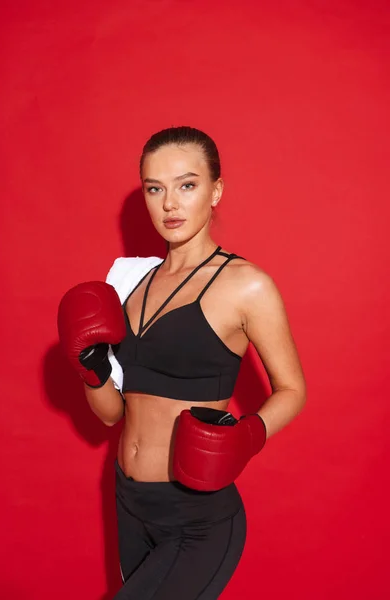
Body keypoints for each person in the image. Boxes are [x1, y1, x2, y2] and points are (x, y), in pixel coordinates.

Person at [58, 126, 307, 599]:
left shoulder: (245, 285)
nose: (170, 204)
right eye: (156, 188)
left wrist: (246, 436)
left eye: (187, 185)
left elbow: (293, 389)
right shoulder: (129, 283)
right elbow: (113, 414)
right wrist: (90, 370)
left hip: (195, 517)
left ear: (216, 192)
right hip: (129, 502)